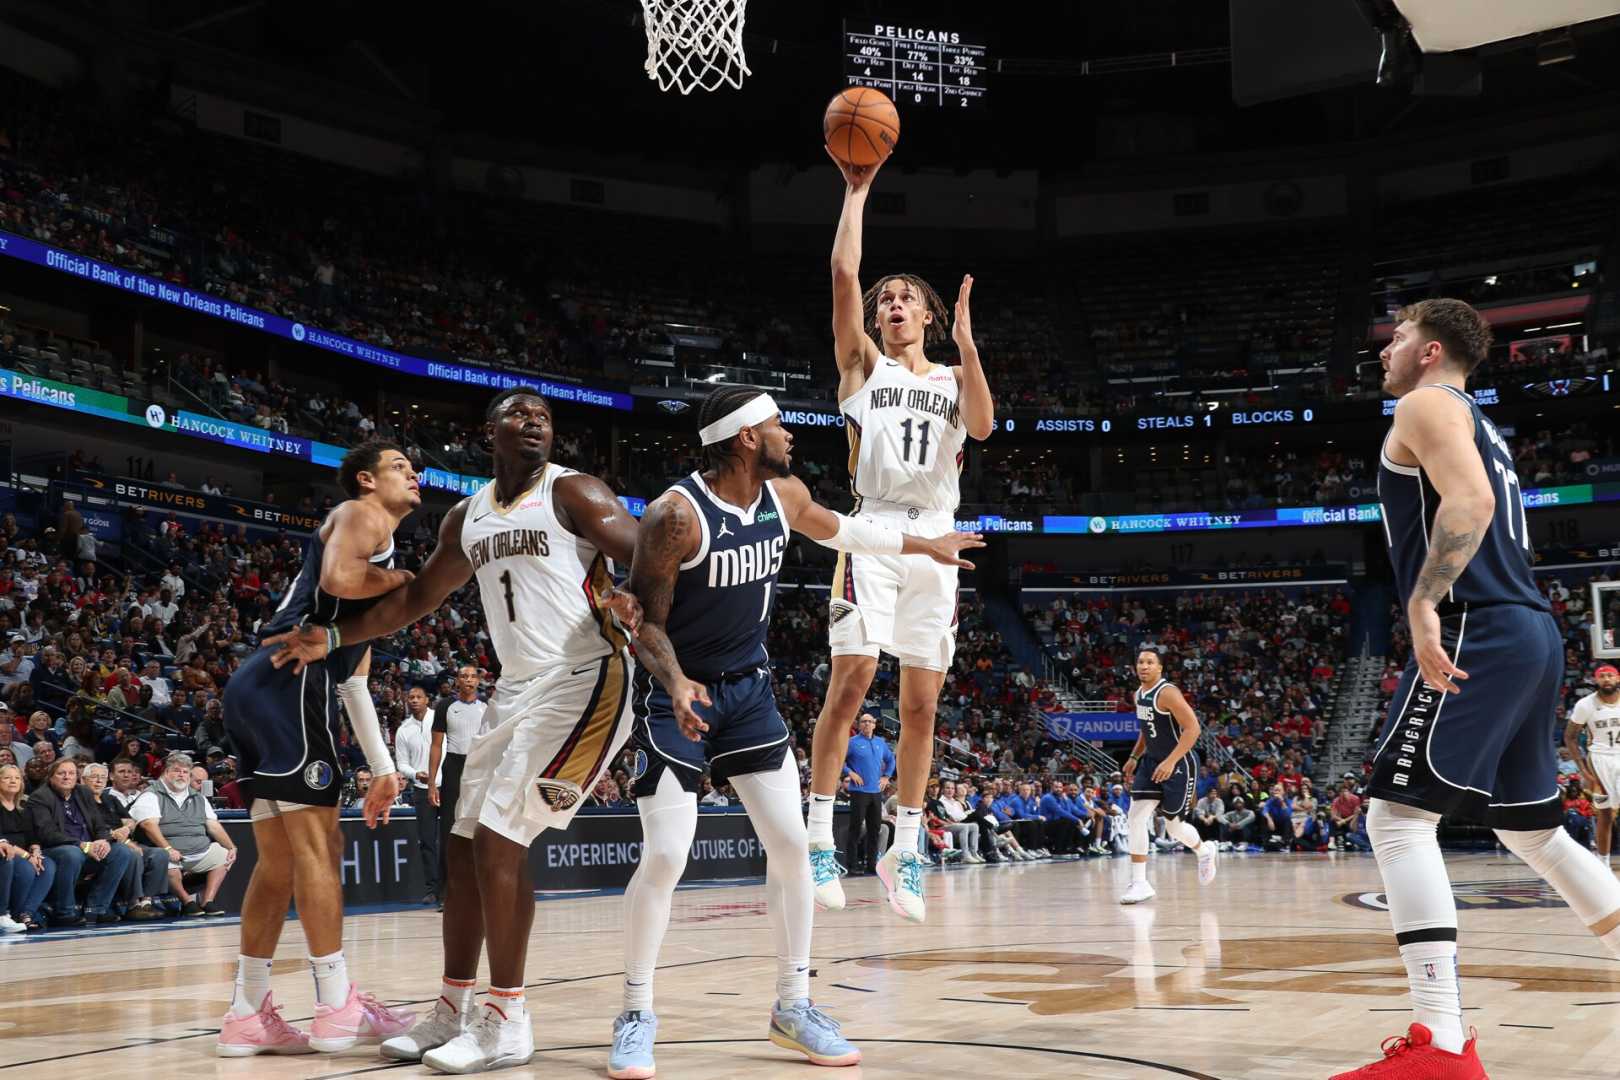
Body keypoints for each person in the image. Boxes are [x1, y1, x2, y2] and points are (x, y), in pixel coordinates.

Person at [265, 387, 644, 1073]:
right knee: (466, 849)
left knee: (499, 840)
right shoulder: (468, 516)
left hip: (589, 677)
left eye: (545, 417)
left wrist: (638, 600)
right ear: (489, 431)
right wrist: (333, 635)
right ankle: (453, 1009)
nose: (534, 423)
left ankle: (508, 1018)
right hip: (515, 691)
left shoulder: (575, 493)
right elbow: (413, 598)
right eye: (520, 414)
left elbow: (649, 552)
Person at [607, 384, 980, 1079]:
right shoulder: (675, 516)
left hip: (748, 694)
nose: (788, 434)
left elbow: (847, 529)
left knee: (791, 848)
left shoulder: (784, 496)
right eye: (777, 425)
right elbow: (647, 622)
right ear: (746, 438)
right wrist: (675, 682)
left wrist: (924, 544)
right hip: (675, 697)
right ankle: (635, 1012)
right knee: (666, 854)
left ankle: (793, 1005)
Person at [1334, 299, 1620, 1080]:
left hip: (1480, 625)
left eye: (1395, 338)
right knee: (1534, 833)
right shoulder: (1479, 423)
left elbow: (1470, 504)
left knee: (1395, 819)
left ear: (1430, 351)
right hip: (1529, 628)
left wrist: (1424, 602)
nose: (1385, 350)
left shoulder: (1425, 403)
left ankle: (1442, 1046)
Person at [807, 148, 995, 923]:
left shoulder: (953, 380)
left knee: (922, 705)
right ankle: (818, 831)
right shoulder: (863, 370)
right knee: (851, 681)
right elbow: (844, 277)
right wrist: (857, 192)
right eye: (887, 298)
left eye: (906, 299)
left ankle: (905, 845)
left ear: (927, 317)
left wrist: (970, 344)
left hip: (940, 539)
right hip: (875, 528)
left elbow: (982, 427)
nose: (892, 304)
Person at [217, 441, 419, 1057]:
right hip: (289, 680)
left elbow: (354, 681)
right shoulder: (364, 515)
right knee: (320, 849)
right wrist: (403, 582)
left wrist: (383, 770)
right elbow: (337, 578)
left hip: (257, 686)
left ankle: (246, 1015)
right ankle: (336, 1006)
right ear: (365, 479)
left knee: (277, 863)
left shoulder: (370, 537)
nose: (413, 473)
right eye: (398, 467)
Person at [1120, 648, 1218, 904]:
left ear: (1159, 668)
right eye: (1140, 661)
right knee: (1136, 816)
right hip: (1152, 762)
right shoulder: (1138, 694)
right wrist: (1133, 757)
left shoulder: (1168, 693)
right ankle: (1140, 882)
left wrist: (1171, 761)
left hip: (1180, 764)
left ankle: (1203, 850)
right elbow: (1146, 729)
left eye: (1150, 662)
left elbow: (1193, 728)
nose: (1144, 666)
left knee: (1174, 827)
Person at [31, 758, 138, 925]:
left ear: (76, 777)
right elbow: (47, 834)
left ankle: (96, 909)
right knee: (72, 854)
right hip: (57, 850)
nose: (67, 777)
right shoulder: (40, 797)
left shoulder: (83, 792)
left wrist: (103, 841)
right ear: (51, 777)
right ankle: (64, 912)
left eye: (71, 773)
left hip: (89, 848)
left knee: (121, 852)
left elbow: (99, 824)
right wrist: (82, 845)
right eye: (61, 773)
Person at [132, 752, 238, 916]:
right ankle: (187, 901)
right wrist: (168, 849)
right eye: (177, 770)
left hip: (199, 851)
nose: (181, 775)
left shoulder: (198, 797)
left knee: (224, 855)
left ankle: (207, 901)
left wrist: (231, 847)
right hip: (169, 852)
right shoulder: (152, 794)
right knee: (165, 861)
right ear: (166, 772)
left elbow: (213, 825)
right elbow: (148, 825)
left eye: (185, 772)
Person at [428, 664, 487, 896]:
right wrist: (432, 782)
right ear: (457, 681)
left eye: (473, 676)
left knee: (481, 827)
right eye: (464, 676)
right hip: (453, 766)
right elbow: (435, 745)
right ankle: (446, 892)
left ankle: (480, 888)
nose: (469, 680)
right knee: (449, 828)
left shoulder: (487, 707)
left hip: (480, 767)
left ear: (478, 681)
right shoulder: (445, 706)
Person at [1566, 664, 1620, 868]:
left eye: (1610, 675)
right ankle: (1603, 862)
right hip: (1599, 761)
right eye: (1602, 676)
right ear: (1595, 680)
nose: (1606, 679)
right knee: (1605, 813)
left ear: (1618, 678)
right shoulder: (1585, 705)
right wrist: (1581, 768)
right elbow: (1570, 737)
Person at [394, 686, 441, 905]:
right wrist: (415, 774)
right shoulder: (403, 730)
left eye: (418, 697)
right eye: (410, 697)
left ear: (426, 699)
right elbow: (401, 763)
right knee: (428, 841)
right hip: (422, 791)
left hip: (446, 786)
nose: (414, 700)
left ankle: (455, 888)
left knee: (453, 838)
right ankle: (433, 889)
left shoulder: (441, 719)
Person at [0, 763, 54, 932]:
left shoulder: (24, 807)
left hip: (24, 853)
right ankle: (9, 914)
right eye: (7, 778)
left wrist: (36, 851)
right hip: (8, 851)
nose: (12, 781)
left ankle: (26, 913)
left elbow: (32, 836)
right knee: (25, 868)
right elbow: (2, 840)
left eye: (16, 778)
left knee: (47, 865)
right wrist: (26, 856)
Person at [841, 713, 893, 873]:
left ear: (874, 724)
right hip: (859, 791)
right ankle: (853, 865)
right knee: (855, 829)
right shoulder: (852, 742)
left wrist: (886, 776)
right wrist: (850, 773)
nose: (866, 724)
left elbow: (891, 760)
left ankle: (872, 864)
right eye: (863, 721)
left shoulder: (880, 742)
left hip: (876, 792)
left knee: (875, 829)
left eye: (870, 721)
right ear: (859, 724)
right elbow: (839, 760)